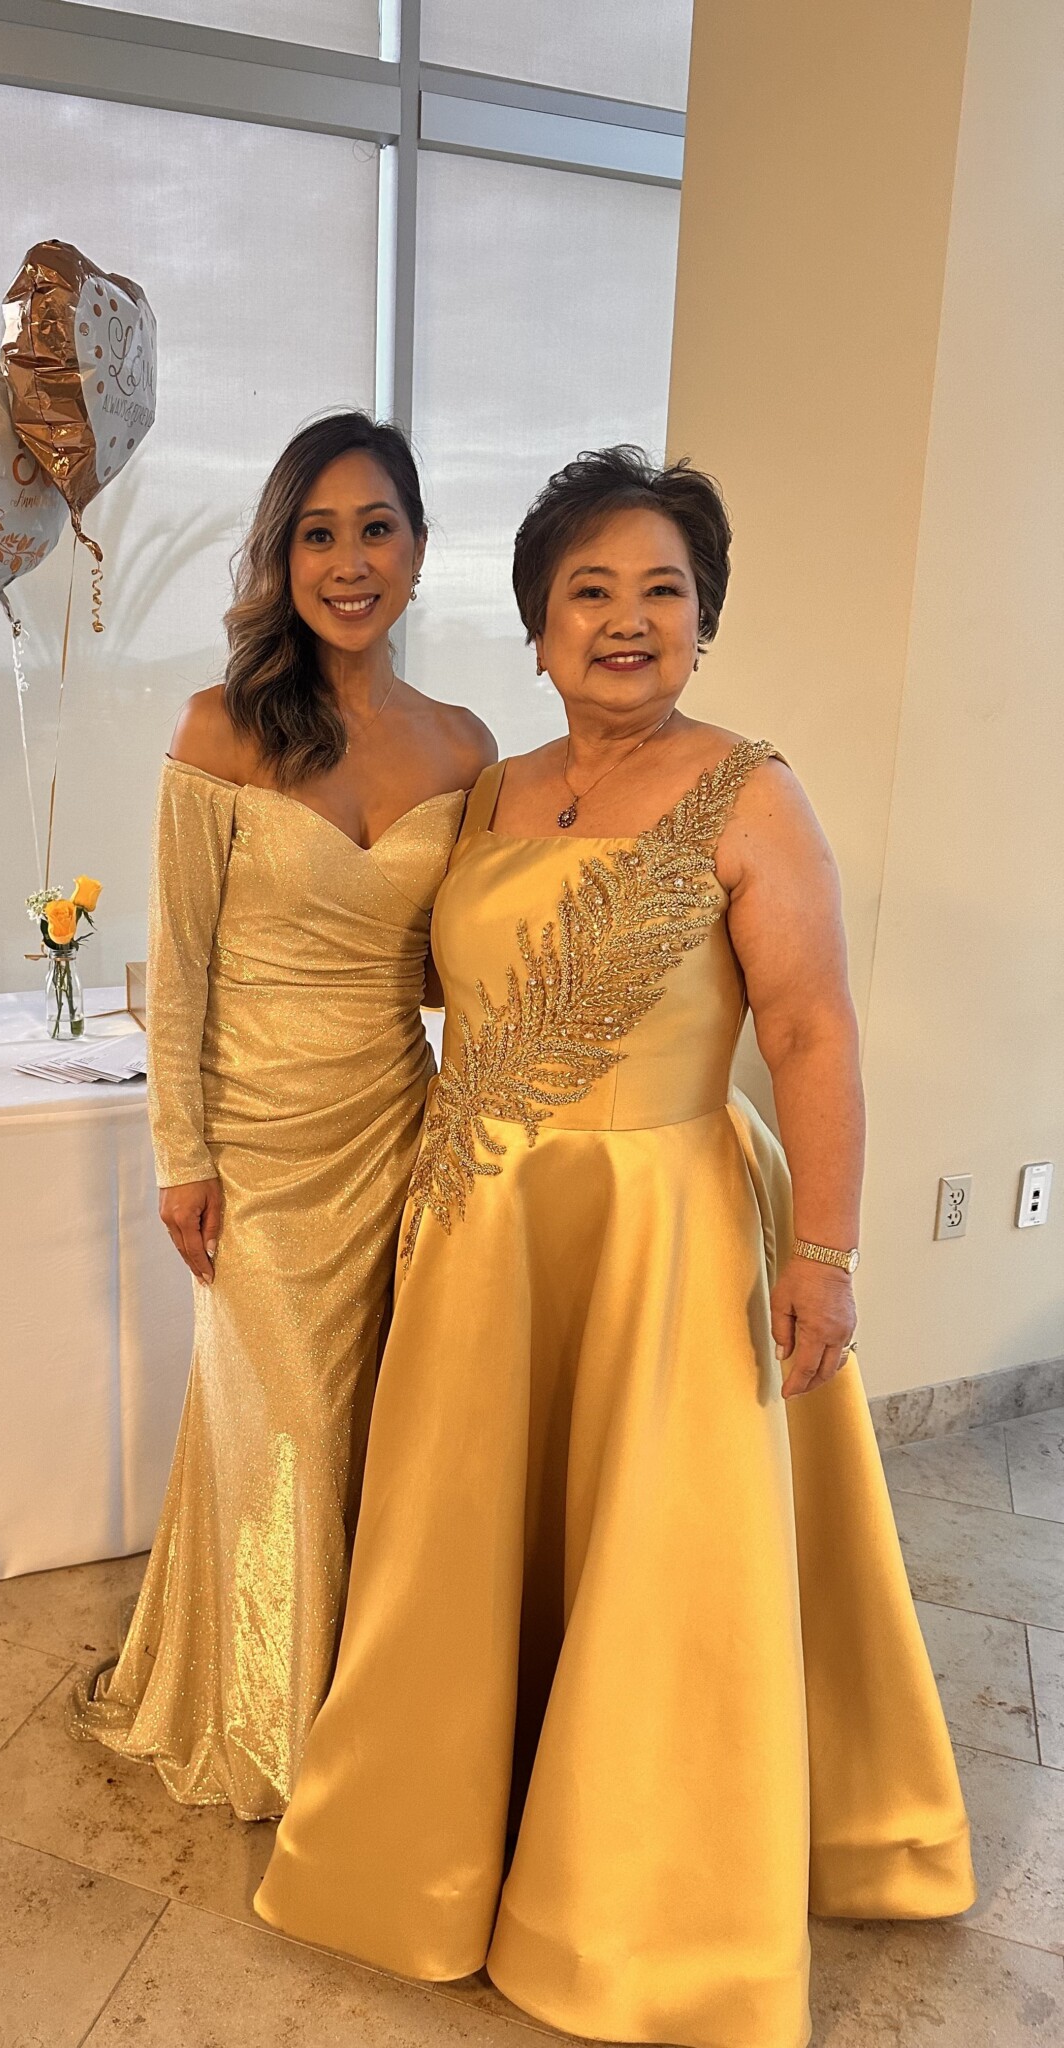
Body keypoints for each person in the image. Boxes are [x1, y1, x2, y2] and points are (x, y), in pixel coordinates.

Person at [254, 446, 973, 2048]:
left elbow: (810, 1029)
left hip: (664, 1233)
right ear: (536, 624)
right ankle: (442, 1850)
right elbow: (415, 989)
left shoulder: (750, 791)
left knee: (662, 1572)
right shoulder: (494, 792)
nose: (627, 619)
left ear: (704, 621)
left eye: (663, 590)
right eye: (591, 590)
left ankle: (639, 1913)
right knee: (462, 1545)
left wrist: (830, 1253)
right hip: (480, 1230)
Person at [73, 412, 496, 1820]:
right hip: (256, 1155)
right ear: (280, 557)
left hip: (402, 1136)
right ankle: (272, 1728)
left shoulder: (464, 748)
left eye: (376, 527)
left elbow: (469, 962)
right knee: (287, 1434)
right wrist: (181, 1159)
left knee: (388, 1432)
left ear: (420, 551)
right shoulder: (223, 732)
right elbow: (178, 969)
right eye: (317, 533)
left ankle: (372, 1718)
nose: (349, 559)